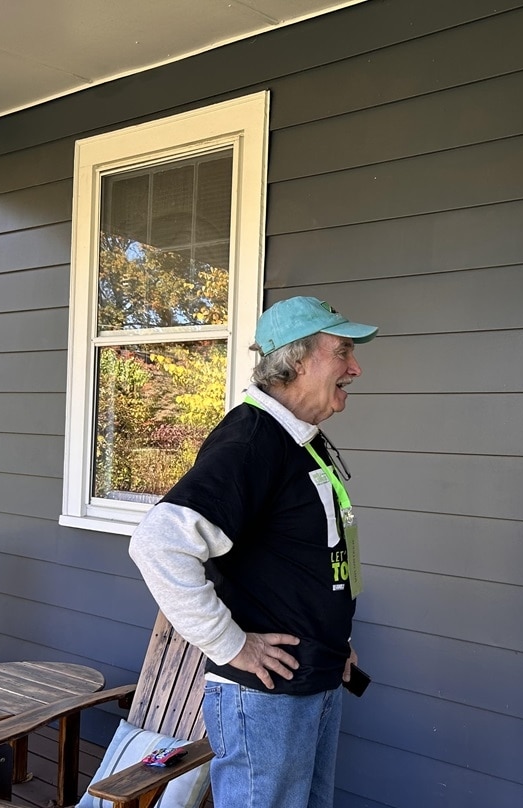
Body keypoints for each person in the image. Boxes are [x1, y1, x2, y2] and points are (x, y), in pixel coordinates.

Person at [129, 295, 377, 808]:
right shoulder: (251, 440)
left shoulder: (300, 439)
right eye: (343, 352)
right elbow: (158, 543)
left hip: (316, 675)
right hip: (265, 698)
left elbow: (305, 555)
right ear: (298, 358)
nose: (355, 368)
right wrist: (231, 644)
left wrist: (334, 638)